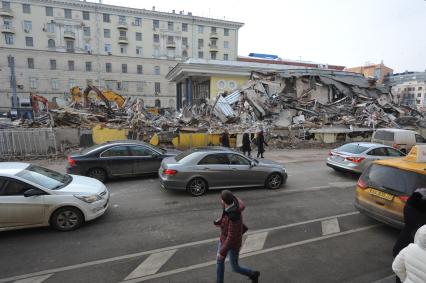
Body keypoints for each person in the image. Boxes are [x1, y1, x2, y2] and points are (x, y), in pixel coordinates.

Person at [214, 190, 260, 283]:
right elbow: (224, 216)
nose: (221, 201)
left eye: (221, 200)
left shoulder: (234, 216)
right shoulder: (231, 204)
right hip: (224, 239)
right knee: (219, 262)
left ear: (223, 201)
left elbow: (231, 237)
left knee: (235, 267)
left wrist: (222, 252)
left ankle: (252, 274)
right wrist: (219, 222)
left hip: (233, 244)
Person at [392, 188, 426, 283]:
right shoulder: (420, 223)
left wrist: (405, 279)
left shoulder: (409, 214)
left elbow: (397, 267)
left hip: (400, 247)